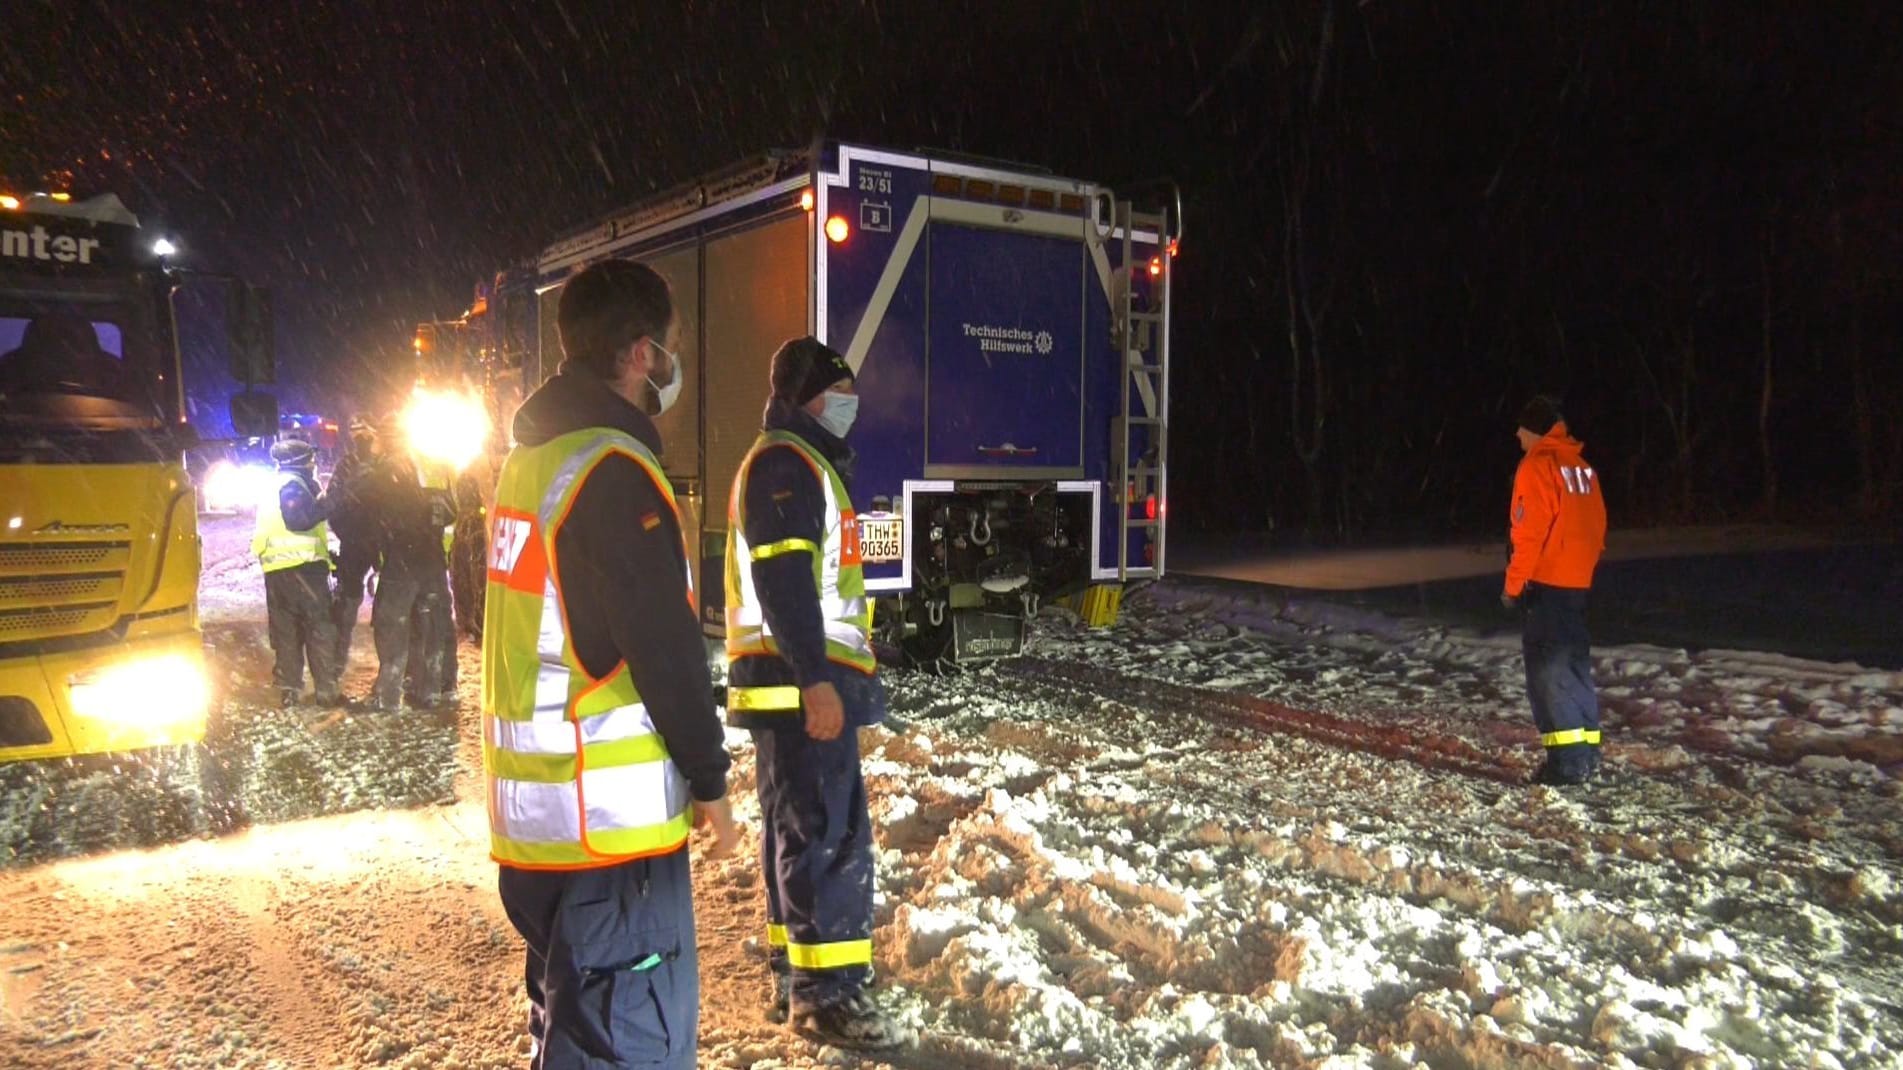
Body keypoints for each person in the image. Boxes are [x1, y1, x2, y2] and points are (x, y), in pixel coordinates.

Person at [482, 258, 738, 1070]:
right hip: (609, 842)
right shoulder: (611, 472)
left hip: (539, 842)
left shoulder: (531, 465)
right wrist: (710, 779)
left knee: (570, 1031)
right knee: (631, 1043)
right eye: (669, 346)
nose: (673, 364)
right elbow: (664, 646)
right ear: (639, 355)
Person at [724, 337, 909, 1051]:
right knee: (827, 836)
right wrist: (816, 680)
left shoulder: (795, 461)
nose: (850, 402)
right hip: (798, 685)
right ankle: (827, 997)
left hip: (788, 685)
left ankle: (792, 968)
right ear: (805, 395)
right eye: (838, 389)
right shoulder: (786, 464)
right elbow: (785, 582)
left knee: (795, 829)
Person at [1502, 395, 1609, 786]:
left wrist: (1513, 586)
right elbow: (1597, 529)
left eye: (1522, 427)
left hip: (1546, 586)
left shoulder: (1537, 467)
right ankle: (1587, 753)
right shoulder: (1581, 468)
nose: (1517, 433)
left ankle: (1566, 764)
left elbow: (1527, 535)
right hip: (1577, 586)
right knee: (1576, 668)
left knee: (1548, 674)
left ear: (1536, 430)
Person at [362, 442, 454, 711]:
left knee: (393, 625)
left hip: (401, 560)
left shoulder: (391, 470)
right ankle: (431, 691)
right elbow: (451, 512)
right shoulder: (439, 466)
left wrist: (378, 552)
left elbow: (376, 517)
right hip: (433, 560)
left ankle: (389, 696)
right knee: (432, 626)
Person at [253, 437, 341, 708]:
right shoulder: (292, 485)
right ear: (300, 462)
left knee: (286, 631)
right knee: (319, 627)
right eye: (310, 459)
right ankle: (326, 690)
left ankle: (289, 690)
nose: (314, 463)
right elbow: (298, 520)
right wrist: (329, 503)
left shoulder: (274, 485)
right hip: (303, 570)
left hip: (277, 571)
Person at [326, 414, 384, 668]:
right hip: (377, 542)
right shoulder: (383, 464)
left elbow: (333, 505)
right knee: (391, 608)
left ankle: (336, 665)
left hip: (358, 542)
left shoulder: (347, 466)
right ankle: (397, 671)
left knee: (348, 605)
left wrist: (347, 534)